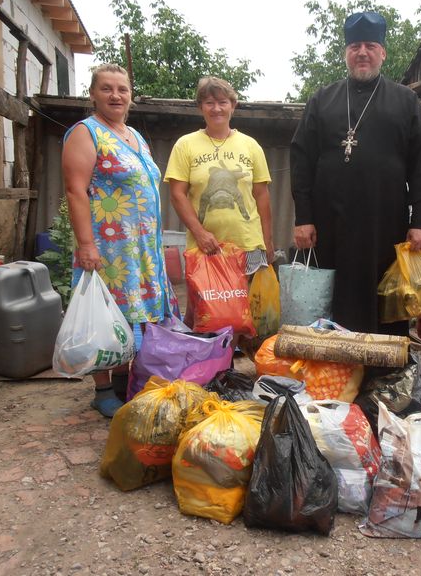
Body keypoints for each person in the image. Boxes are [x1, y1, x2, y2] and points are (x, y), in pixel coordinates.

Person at [291, 11, 421, 336]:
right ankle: (334, 367)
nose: (363, 52)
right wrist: (303, 217)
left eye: (370, 45)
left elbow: (420, 165)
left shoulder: (406, 100)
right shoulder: (321, 100)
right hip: (330, 224)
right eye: (355, 46)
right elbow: (301, 160)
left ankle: (382, 372)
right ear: (346, 53)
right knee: (333, 293)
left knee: (384, 295)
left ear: (383, 52)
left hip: (384, 223)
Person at [63, 63, 178, 417]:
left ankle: (122, 380)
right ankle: (102, 390)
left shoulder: (134, 135)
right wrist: (86, 244)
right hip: (108, 245)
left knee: (133, 312)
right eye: (107, 88)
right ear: (93, 94)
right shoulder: (87, 132)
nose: (115, 95)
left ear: (131, 96)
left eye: (122, 89)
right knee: (105, 312)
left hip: (139, 246)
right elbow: (75, 190)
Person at [165, 76, 274, 337]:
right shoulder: (186, 145)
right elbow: (177, 194)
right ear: (200, 107)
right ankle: (201, 368)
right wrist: (200, 234)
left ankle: (228, 373)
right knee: (200, 312)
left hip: (247, 243)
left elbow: (262, 196)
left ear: (233, 106)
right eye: (209, 102)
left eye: (222, 102)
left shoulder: (250, 146)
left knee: (240, 311)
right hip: (206, 247)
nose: (216, 109)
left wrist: (267, 242)